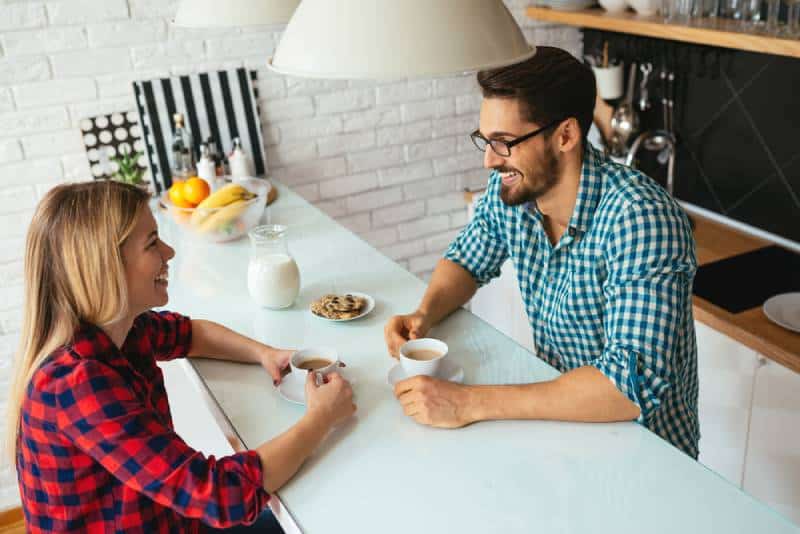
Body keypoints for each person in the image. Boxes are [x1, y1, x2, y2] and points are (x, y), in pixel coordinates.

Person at [384, 46, 699, 458]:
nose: (488, 161)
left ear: (566, 135)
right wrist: (424, 314)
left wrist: (468, 402)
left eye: (504, 142)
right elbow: (466, 258)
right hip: (563, 427)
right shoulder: (514, 193)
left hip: (646, 458)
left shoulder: (639, 218)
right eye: (486, 140)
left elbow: (627, 389)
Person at [8, 180, 356, 533]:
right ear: (106, 267)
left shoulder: (123, 331)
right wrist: (321, 418)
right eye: (152, 243)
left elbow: (191, 334)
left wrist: (265, 354)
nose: (169, 252)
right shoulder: (77, 385)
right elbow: (221, 496)